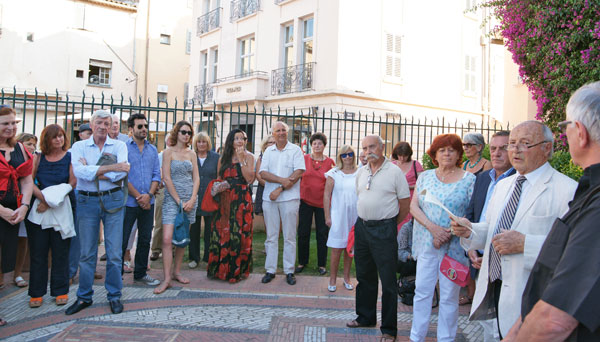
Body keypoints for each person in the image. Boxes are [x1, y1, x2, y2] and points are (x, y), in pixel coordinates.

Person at [451, 121, 577, 338]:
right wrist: (470, 231)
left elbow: (573, 251)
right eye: (512, 144)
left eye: (525, 144)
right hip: (493, 287)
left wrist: (525, 244)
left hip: (529, 293)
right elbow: (492, 231)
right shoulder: (503, 185)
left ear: (547, 148)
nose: (515, 150)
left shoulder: (567, 190)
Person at [504, 82, 600, 342]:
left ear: (579, 132)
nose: (515, 150)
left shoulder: (587, 198)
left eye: (565, 126)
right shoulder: (589, 191)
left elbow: (555, 319)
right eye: (512, 143)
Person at [408, 134, 475, 342]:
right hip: (427, 243)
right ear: (435, 154)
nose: (447, 153)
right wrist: (433, 229)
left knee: (449, 296)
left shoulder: (469, 179)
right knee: (423, 292)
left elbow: (471, 215)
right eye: (442, 150)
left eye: (452, 150)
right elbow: (413, 207)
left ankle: (446, 338)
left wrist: (447, 233)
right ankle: (416, 337)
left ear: (458, 155)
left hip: (454, 248)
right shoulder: (425, 176)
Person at [346, 135, 410, 342]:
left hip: (384, 230)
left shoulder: (394, 172)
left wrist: (389, 224)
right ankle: (365, 317)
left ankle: (389, 329)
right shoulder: (361, 171)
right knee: (364, 277)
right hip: (362, 227)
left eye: (371, 146)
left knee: (388, 281)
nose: (367, 151)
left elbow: (405, 203)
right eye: (364, 147)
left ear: (382, 147)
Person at [67, 109, 129, 315]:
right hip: (86, 200)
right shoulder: (79, 146)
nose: (103, 126)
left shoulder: (119, 145)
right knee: (86, 253)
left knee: (113, 253)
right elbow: (79, 173)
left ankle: (114, 296)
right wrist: (108, 168)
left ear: (111, 126)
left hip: (113, 199)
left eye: (107, 123)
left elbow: (121, 174)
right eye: (99, 122)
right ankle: (84, 297)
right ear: (92, 125)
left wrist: (93, 170)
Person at [463, 130, 515, 341]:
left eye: (504, 148)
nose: (497, 153)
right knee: (484, 318)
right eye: (494, 148)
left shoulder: (517, 180)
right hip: (478, 251)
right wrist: (471, 246)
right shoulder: (483, 178)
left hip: (504, 257)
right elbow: (472, 213)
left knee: (502, 320)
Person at [25, 124, 76, 308]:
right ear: (47, 139)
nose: (59, 140)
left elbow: (73, 181)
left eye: (61, 136)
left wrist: (55, 200)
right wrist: (44, 200)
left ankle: (60, 290)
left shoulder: (70, 157)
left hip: (62, 207)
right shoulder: (38, 158)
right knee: (38, 252)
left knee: (60, 252)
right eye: (55, 137)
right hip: (40, 208)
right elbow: (29, 180)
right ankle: (36, 293)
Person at [154, 121, 199, 294]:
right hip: (172, 200)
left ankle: (176, 272)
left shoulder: (192, 154)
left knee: (182, 238)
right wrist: (178, 200)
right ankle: (166, 278)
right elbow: (166, 177)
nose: (186, 135)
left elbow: (196, 178)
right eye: (183, 132)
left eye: (189, 132)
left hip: (189, 201)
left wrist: (193, 198)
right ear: (176, 133)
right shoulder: (168, 152)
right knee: (166, 239)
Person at [259, 121, 305, 286]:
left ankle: (289, 271)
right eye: (277, 130)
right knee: (271, 236)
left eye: (283, 130)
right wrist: (281, 181)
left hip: (289, 199)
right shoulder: (269, 151)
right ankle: (270, 270)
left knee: (290, 236)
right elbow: (263, 173)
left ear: (288, 132)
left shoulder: (296, 150)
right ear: (273, 133)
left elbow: (298, 172)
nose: (281, 133)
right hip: (269, 199)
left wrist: (279, 189)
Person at [207, 129, 255, 283]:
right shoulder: (223, 158)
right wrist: (219, 186)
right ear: (231, 141)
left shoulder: (249, 157)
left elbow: (249, 179)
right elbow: (219, 178)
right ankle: (220, 270)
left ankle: (237, 271)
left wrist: (242, 160)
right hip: (225, 200)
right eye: (237, 138)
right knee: (223, 233)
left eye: (243, 138)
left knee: (239, 233)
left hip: (242, 201)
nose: (240, 141)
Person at [0, 106, 34, 326]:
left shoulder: (21, 148)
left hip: (13, 213)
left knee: (4, 263)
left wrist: (24, 207)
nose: (11, 127)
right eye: (5, 123)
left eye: (14, 123)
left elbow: (27, 180)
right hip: (2, 211)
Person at [121, 114, 161, 286]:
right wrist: (139, 196)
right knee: (122, 240)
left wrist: (149, 196)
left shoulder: (152, 150)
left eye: (145, 126)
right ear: (131, 129)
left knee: (145, 239)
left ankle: (140, 273)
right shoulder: (123, 149)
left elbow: (156, 175)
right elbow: (123, 176)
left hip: (148, 203)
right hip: (129, 203)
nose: (144, 129)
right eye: (140, 126)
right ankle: (116, 275)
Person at [296, 132, 334, 276]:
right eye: (314, 143)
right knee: (303, 232)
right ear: (311, 145)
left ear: (324, 145)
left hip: (322, 203)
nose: (317, 146)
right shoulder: (303, 159)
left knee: (322, 234)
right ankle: (302, 262)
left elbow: (332, 182)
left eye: (320, 143)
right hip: (305, 200)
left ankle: (322, 264)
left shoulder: (330, 162)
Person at [323, 145, 357, 292]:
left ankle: (347, 278)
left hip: (355, 216)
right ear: (340, 157)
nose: (348, 157)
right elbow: (326, 195)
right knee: (337, 248)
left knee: (350, 249)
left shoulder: (361, 172)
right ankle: (332, 279)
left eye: (350, 154)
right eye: (344, 155)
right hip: (338, 215)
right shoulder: (334, 173)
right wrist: (327, 216)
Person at [189, 132, 219, 268]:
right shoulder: (190, 156)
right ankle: (194, 258)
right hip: (193, 198)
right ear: (195, 143)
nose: (201, 144)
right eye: (199, 142)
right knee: (193, 230)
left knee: (210, 230)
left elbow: (219, 177)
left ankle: (208, 257)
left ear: (208, 143)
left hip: (210, 199)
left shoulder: (216, 158)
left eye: (204, 142)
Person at [13, 133, 37, 289]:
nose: (32, 147)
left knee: (23, 239)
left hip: (25, 203)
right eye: (29, 144)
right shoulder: (13, 157)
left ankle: (17, 273)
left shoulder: (35, 160)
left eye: (34, 144)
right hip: (9, 202)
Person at [391, 141, 424, 229]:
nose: (402, 158)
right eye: (399, 155)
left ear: (409, 154)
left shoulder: (415, 164)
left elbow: (422, 183)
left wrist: (409, 187)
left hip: (412, 200)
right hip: (397, 200)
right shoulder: (392, 165)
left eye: (404, 156)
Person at [254, 136, 276, 215]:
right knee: (266, 216)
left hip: (278, 190)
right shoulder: (261, 157)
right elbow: (258, 175)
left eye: (274, 142)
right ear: (265, 145)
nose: (273, 144)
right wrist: (270, 186)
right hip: (265, 189)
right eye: (270, 142)